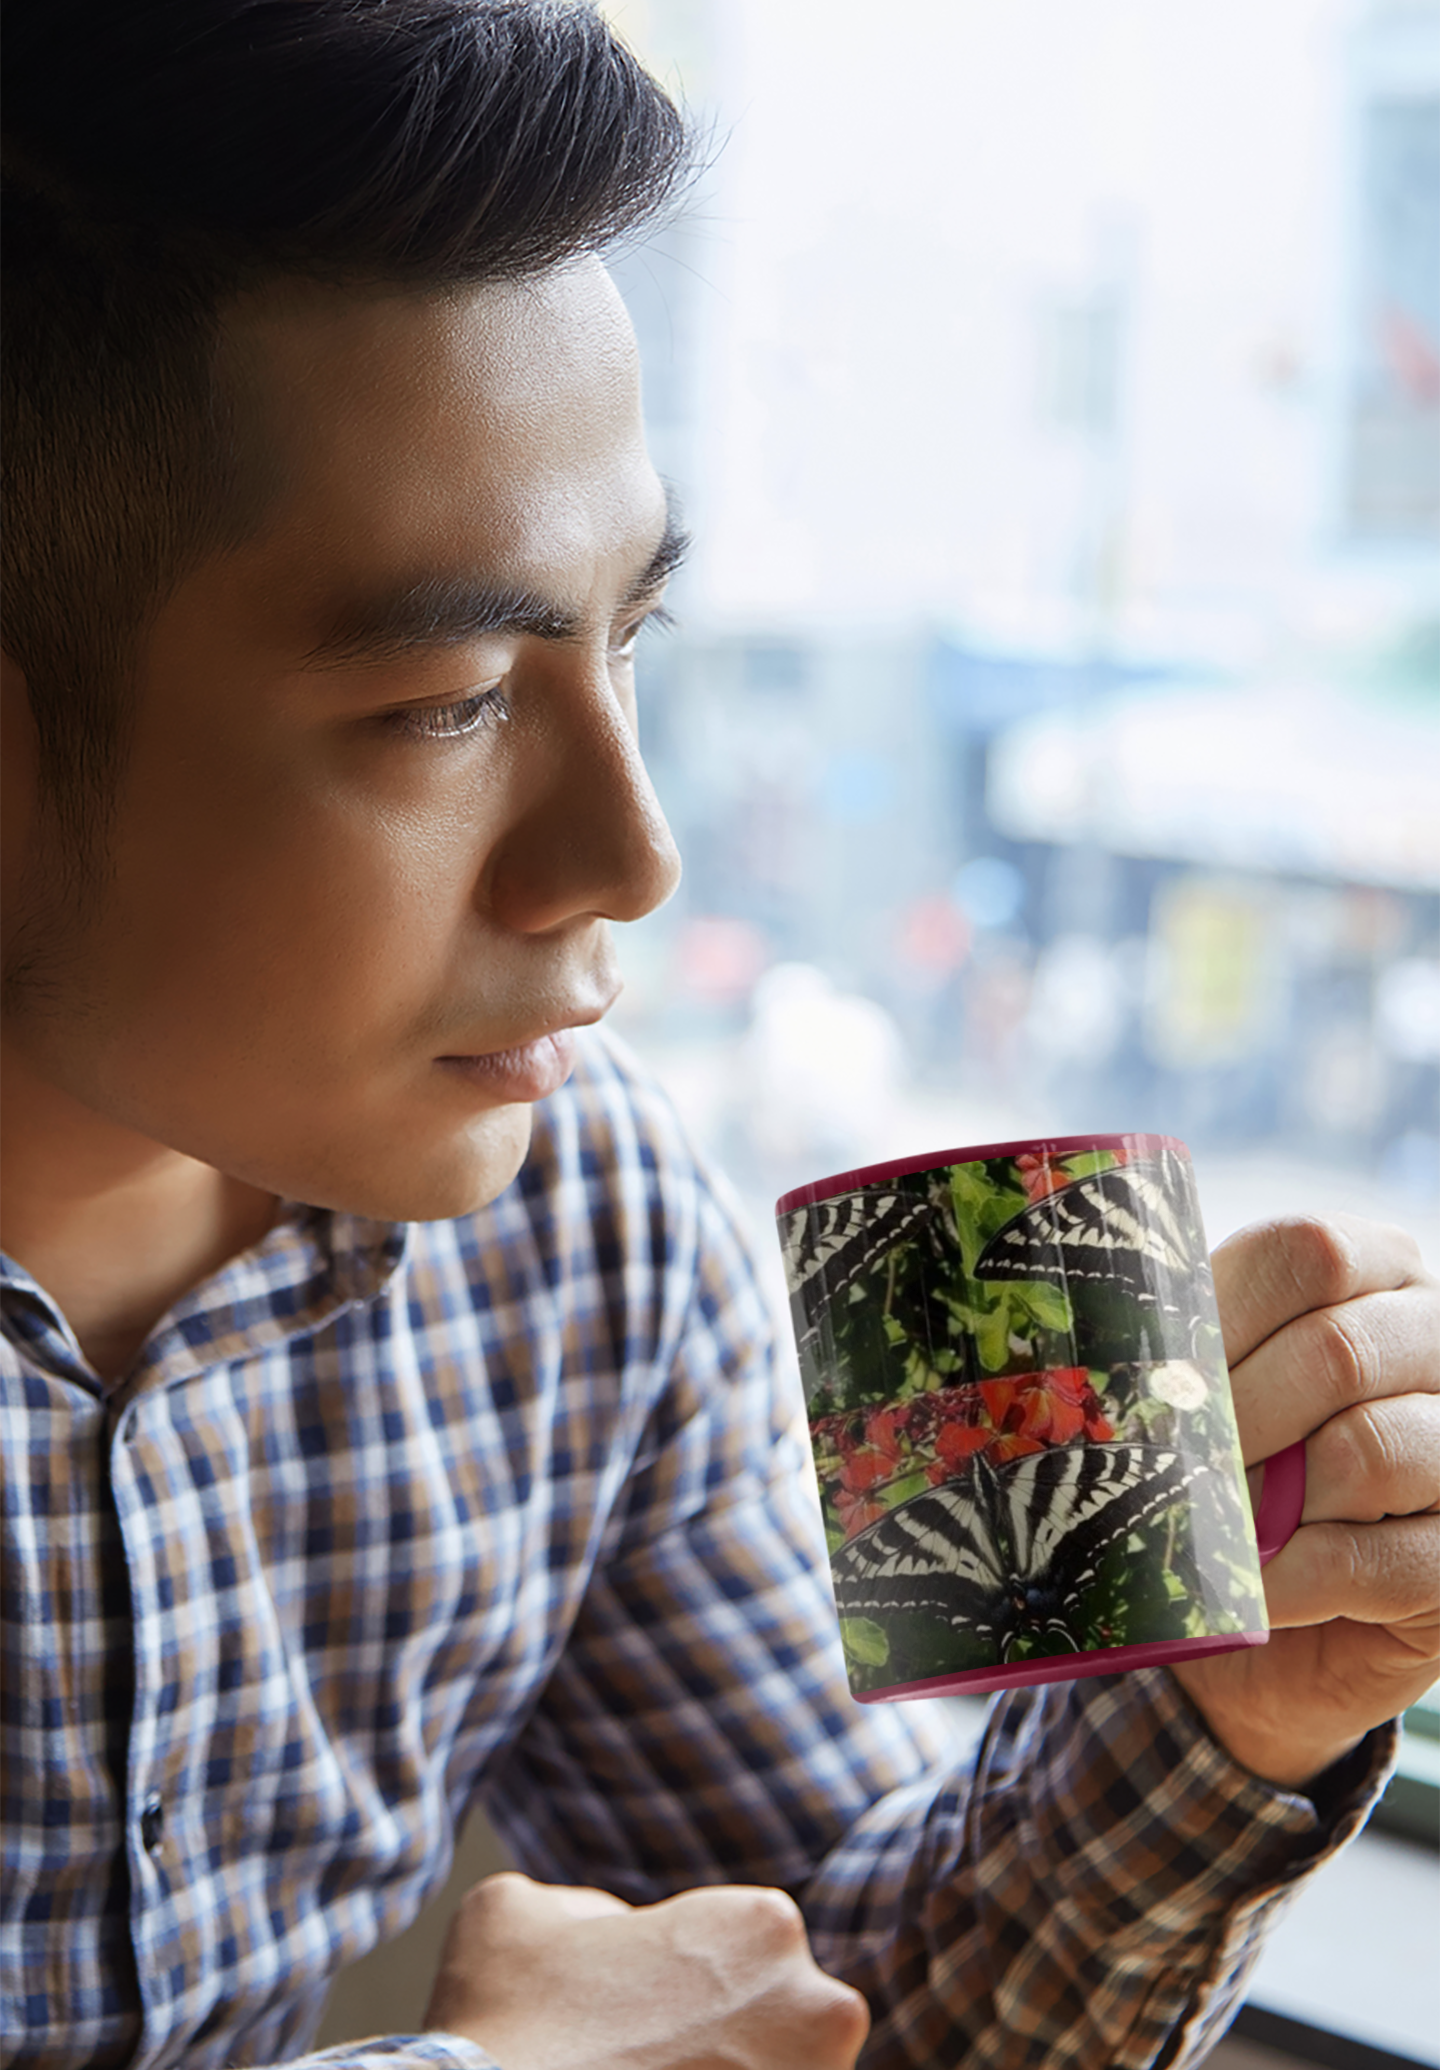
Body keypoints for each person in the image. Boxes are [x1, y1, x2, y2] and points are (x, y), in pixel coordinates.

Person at [0, 5, 1435, 2067]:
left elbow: (845, 2000)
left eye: (629, 638)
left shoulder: (576, 1223)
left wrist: (1234, 1706)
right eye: (452, 702)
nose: (638, 857)